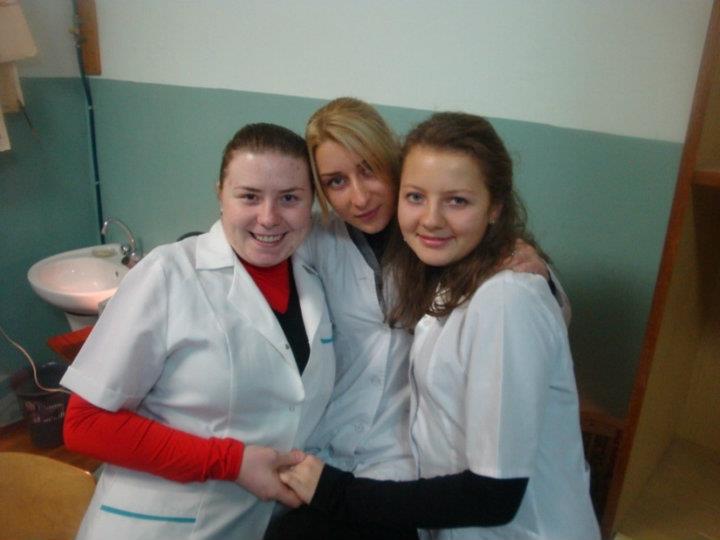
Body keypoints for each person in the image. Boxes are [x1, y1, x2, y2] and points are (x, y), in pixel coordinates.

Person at [278, 112, 600, 540]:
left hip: (480, 509)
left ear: (495, 207)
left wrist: (335, 493)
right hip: (407, 485)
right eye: (335, 181)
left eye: (457, 201)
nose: (359, 196)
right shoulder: (436, 269)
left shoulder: (501, 294)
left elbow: (494, 495)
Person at [59, 123, 336, 539]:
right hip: (156, 526)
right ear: (220, 195)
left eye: (290, 198)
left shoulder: (313, 285)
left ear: (311, 202)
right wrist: (231, 462)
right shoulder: (167, 274)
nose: (268, 217)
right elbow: (85, 424)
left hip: (251, 524)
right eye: (249, 196)